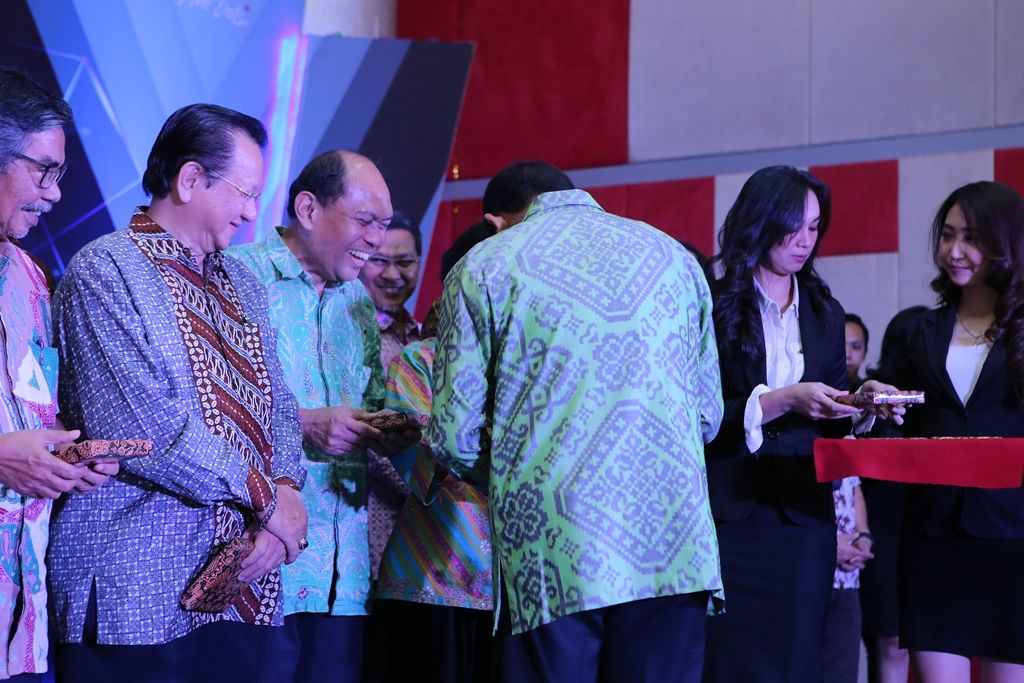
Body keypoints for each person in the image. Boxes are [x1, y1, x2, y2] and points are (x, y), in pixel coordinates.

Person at [429, 163, 725, 683]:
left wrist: (511, 477)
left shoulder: (484, 265)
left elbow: (454, 438)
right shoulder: (675, 257)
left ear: (495, 223)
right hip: (675, 541)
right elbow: (707, 417)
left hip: (553, 543)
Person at [49, 103, 308, 683]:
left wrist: (286, 494)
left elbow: (281, 408)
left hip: (246, 579)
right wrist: (269, 502)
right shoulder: (105, 270)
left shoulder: (242, 282)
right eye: (246, 192)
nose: (252, 211)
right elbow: (143, 430)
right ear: (190, 179)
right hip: (136, 586)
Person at [702, 166, 899, 682]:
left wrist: (861, 404)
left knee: (798, 662)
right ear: (760, 221)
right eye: (794, 227)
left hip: (803, 518)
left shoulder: (825, 313)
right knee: (728, 661)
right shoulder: (713, 303)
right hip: (730, 516)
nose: (805, 241)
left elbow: (829, 427)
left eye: (814, 227)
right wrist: (781, 401)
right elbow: (698, 414)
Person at [230, 149, 420, 683]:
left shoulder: (356, 300)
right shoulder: (236, 277)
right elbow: (209, 408)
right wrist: (305, 422)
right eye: (365, 221)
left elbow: (371, 404)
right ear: (308, 209)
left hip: (344, 575)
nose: (376, 241)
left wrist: (399, 427)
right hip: (264, 564)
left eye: (383, 224)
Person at [0, 67, 117, 682]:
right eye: (43, 171)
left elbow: (32, 405)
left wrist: (68, 453)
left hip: (23, 617)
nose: (53, 194)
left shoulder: (32, 278)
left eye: (60, 175)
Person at [885, 181, 1024, 683]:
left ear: (1006, 243)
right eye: (947, 235)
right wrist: (875, 406)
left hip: (1014, 536)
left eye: (972, 237)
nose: (955, 250)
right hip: (934, 536)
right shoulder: (918, 331)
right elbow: (902, 432)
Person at [860, 306, 927, 683]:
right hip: (884, 532)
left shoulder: (945, 405)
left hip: (930, 529)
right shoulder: (878, 402)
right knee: (890, 640)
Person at [845, 313, 870, 388]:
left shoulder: (870, 391)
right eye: (840, 346)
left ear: (865, 353)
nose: (847, 355)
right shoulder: (815, 390)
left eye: (856, 347)